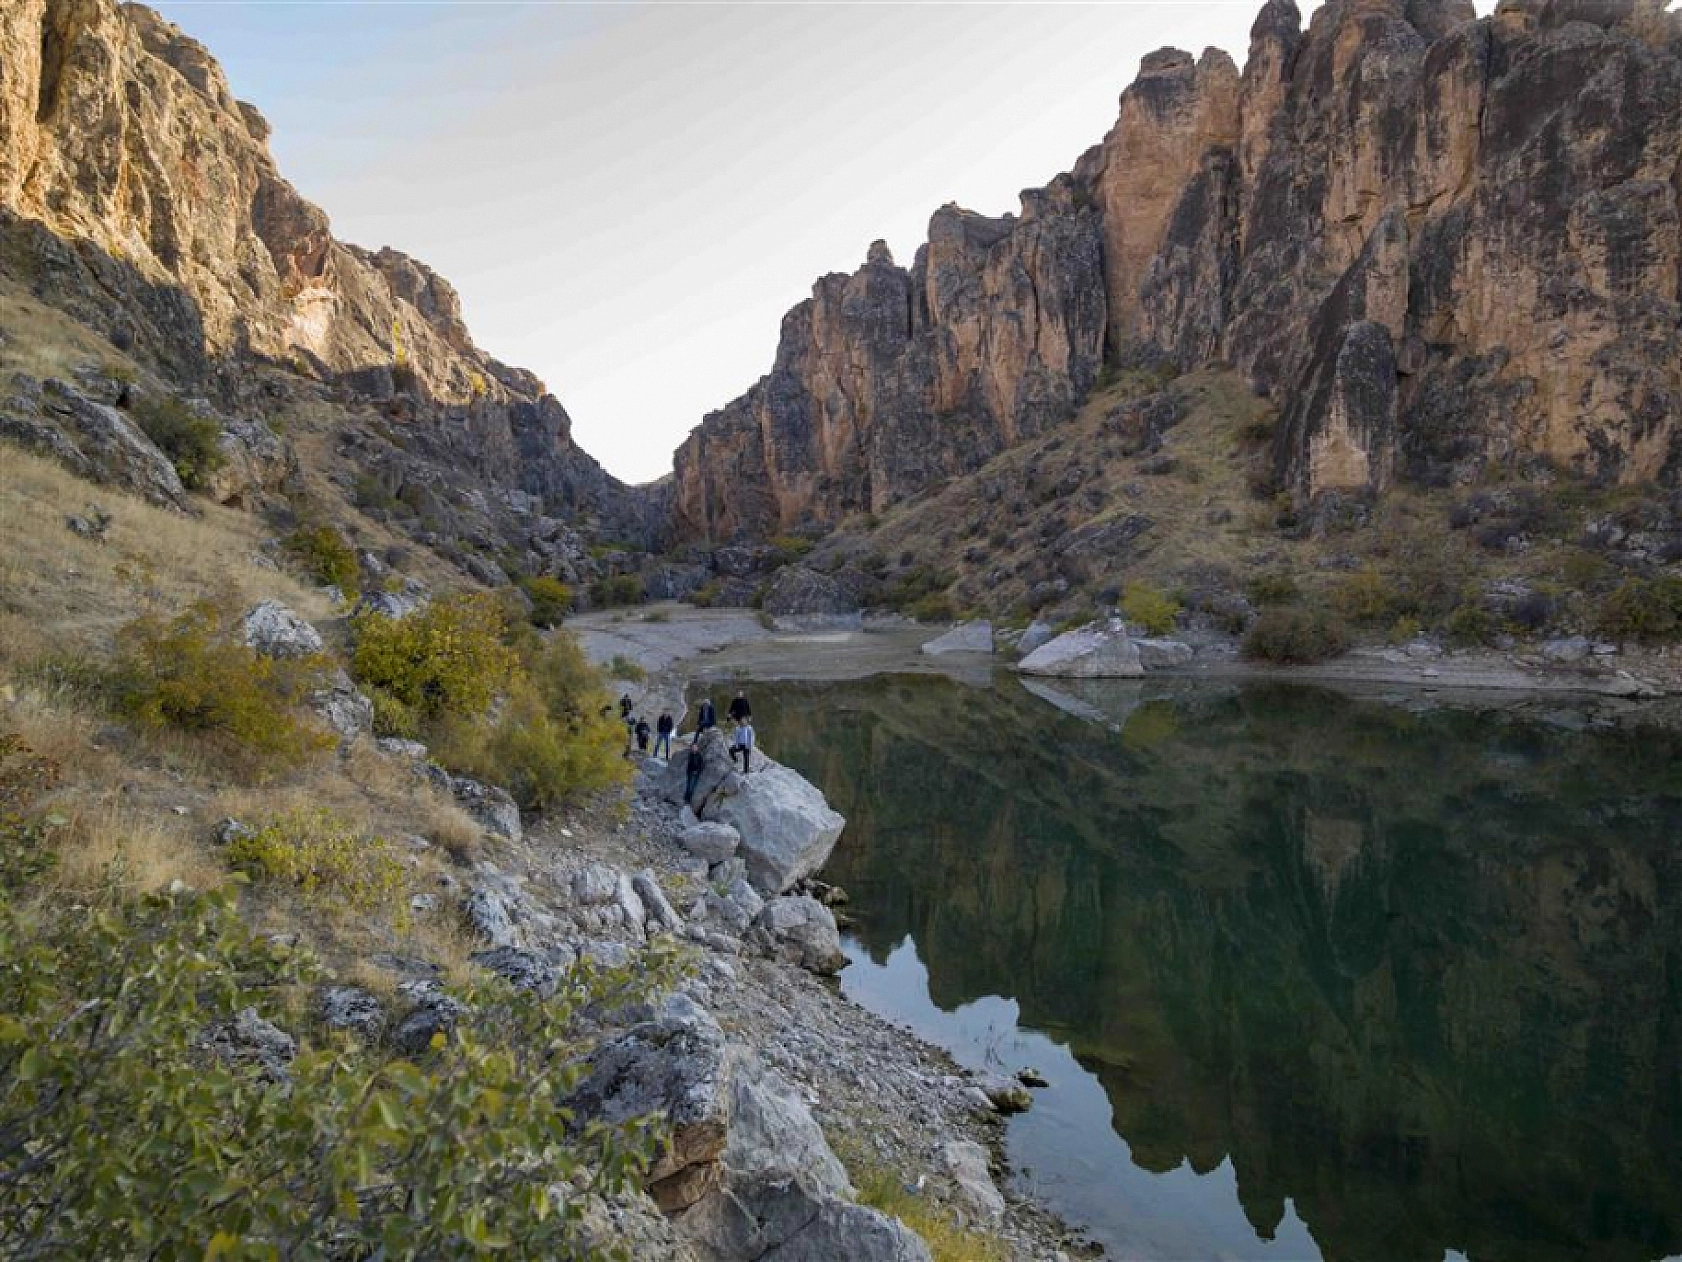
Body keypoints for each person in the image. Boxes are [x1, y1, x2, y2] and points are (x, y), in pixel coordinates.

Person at [683, 738, 706, 804]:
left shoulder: (699, 755)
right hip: (689, 772)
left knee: (691, 787)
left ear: (697, 748)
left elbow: (701, 765)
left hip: (695, 773)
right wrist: (687, 770)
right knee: (688, 786)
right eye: (693, 747)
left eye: (695, 747)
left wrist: (697, 771)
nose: (694, 748)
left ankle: (688, 800)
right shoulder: (691, 754)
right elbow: (689, 764)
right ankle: (686, 799)